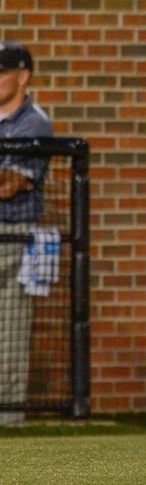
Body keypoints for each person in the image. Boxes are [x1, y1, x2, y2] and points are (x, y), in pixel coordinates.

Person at [0, 42, 53, 426]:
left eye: (2, 72)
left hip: (14, 234)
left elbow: (8, 184)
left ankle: (9, 419)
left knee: (10, 331)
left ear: (23, 76)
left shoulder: (33, 121)